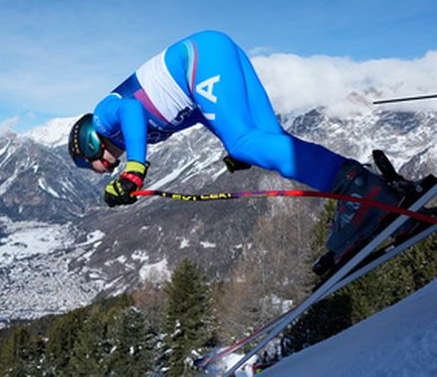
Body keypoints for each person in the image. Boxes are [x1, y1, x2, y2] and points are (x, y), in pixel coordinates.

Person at [68, 30, 407, 265]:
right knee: (268, 139)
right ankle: (366, 189)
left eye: (91, 166)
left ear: (89, 146)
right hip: (210, 52)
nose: (101, 170)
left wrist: (134, 169)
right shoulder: (138, 133)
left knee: (245, 141)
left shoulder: (103, 118)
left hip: (200, 57)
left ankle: (358, 190)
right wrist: (228, 144)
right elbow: (196, 112)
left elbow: (131, 108)